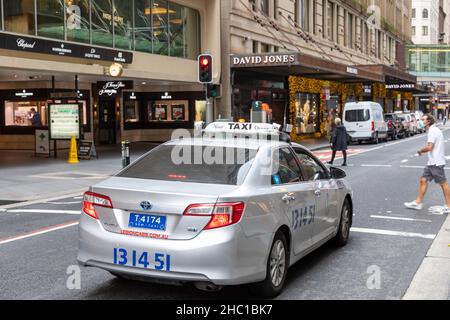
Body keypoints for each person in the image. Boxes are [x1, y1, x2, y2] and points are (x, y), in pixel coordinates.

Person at [404, 114, 450, 213]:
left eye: (423, 119)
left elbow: (429, 147)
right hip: (432, 162)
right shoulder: (434, 130)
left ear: (428, 121)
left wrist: (420, 151)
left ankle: (449, 206)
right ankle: (418, 203)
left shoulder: (432, 131)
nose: (422, 121)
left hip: (436, 163)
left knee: (443, 184)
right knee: (423, 180)